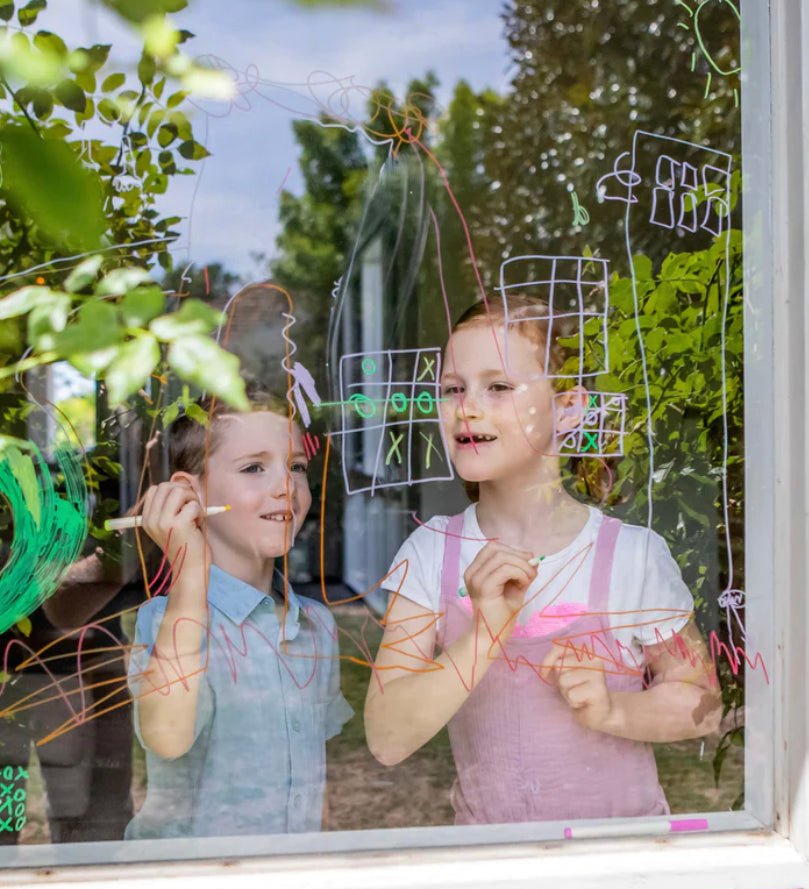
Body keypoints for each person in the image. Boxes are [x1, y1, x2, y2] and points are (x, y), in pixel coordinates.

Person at [365, 298, 721, 825]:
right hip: (492, 868)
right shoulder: (430, 553)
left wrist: (613, 710)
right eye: (452, 388)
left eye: (499, 387)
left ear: (569, 408)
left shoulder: (632, 554)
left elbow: (702, 704)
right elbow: (387, 738)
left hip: (620, 865)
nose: (466, 407)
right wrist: (484, 634)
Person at [125, 392, 352, 839]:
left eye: (296, 467)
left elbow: (312, 781)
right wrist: (188, 568)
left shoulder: (316, 626)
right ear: (190, 493)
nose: (286, 486)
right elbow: (168, 736)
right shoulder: (163, 620)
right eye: (254, 468)